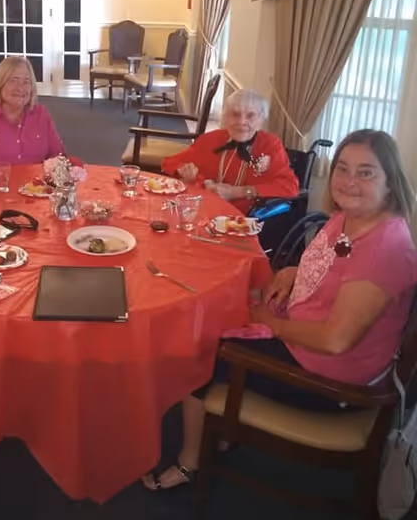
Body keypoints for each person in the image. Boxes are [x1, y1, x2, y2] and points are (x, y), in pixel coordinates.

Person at [144, 129, 417, 490]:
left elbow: (335, 340)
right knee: (219, 308)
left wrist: (267, 321)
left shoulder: (384, 250)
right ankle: (221, 429)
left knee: (200, 350)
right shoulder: (352, 218)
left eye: (366, 172)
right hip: (306, 338)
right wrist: (295, 271)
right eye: (343, 168)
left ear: (390, 182)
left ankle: (189, 461)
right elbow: (337, 266)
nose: (349, 181)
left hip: (330, 381)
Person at [161, 89, 299, 213]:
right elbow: (170, 162)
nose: (242, 122)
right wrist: (188, 174)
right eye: (235, 114)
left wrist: (238, 192)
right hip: (203, 210)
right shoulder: (211, 139)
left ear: (261, 120)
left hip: (246, 220)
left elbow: (290, 187)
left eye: (250, 115)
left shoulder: (270, 145)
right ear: (225, 117)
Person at [0, 56, 66, 171]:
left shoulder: (42, 115)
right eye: (13, 81)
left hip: (37, 182)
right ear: (0, 84)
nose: (20, 88)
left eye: (26, 82)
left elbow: (58, 157)